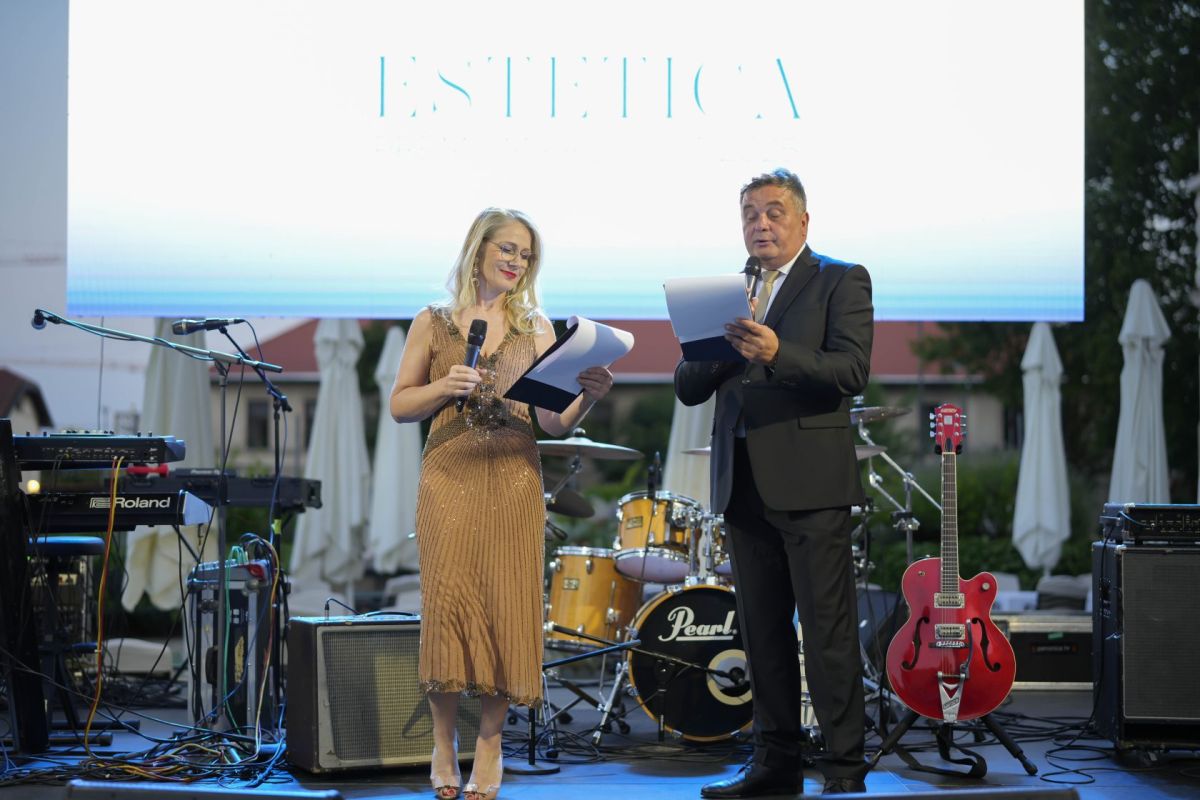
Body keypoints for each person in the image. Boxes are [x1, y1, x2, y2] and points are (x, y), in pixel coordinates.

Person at [390, 208, 614, 800]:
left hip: (514, 479)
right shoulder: (433, 321)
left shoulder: (535, 328)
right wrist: (443, 387)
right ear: (479, 248)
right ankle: (443, 744)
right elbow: (400, 405)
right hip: (448, 476)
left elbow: (551, 420)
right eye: (508, 249)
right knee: (447, 605)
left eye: (526, 255)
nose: (517, 262)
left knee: (505, 607)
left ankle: (490, 744)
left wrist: (587, 399)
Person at [675, 169, 873, 797]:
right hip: (743, 484)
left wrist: (775, 352)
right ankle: (775, 764)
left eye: (774, 212)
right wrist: (720, 347)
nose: (760, 223)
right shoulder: (729, 292)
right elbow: (687, 387)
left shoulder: (841, 278)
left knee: (827, 633)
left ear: (803, 221)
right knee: (762, 636)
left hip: (812, 484)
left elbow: (852, 370)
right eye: (750, 214)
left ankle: (844, 769)